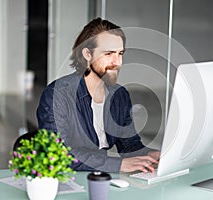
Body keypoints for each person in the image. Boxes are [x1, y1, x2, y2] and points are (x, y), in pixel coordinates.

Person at [37, 17, 159, 173]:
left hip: (100, 178)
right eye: (108, 54)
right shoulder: (57, 95)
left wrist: (150, 155)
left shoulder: (119, 96)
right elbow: (58, 154)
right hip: (67, 181)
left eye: (120, 53)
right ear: (87, 54)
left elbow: (129, 146)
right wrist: (118, 165)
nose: (117, 62)